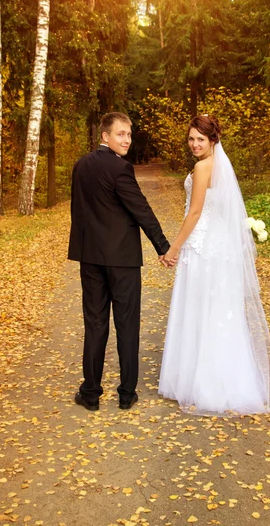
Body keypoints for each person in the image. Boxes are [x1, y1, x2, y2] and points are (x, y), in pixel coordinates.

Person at [158, 115, 270, 416]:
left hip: (201, 247)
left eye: (200, 139)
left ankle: (204, 384)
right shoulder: (221, 166)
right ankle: (221, 381)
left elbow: (196, 211)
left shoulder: (203, 167)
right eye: (191, 139)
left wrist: (172, 249)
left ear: (213, 140)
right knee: (215, 311)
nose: (194, 144)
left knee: (200, 310)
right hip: (217, 247)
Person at [68, 112, 171, 412]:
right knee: (126, 325)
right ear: (105, 136)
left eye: (128, 134)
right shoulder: (120, 168)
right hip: (122, 261)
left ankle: (90, 394)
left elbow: (80, 212)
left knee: (95, 324)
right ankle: (126, 394)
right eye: (120, 134)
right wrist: (162, 246)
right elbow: (141, 209)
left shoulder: (81, 165)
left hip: (90, 258)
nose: (126, 139)